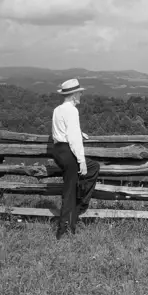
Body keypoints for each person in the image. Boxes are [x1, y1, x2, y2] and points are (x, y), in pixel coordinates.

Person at [51, 78, 100, 239]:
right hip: (68, 151)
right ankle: (65, 229)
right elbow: (73, 139)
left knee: (90, 170)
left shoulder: (58, 109)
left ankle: (73, 214)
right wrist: (82, 161)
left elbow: (63, 131)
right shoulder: (72, 111)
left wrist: (79, 133)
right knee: (70, 190)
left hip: (58, 150)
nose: (81, 95)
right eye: (79, 93)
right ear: (73, 95)